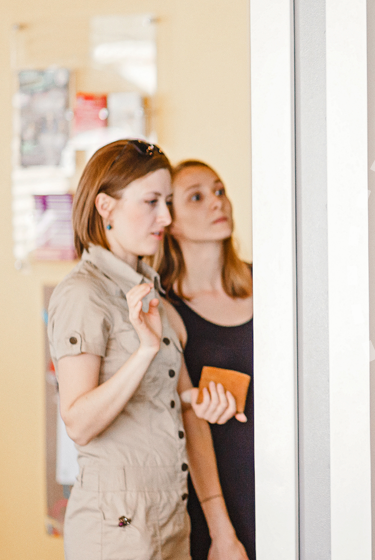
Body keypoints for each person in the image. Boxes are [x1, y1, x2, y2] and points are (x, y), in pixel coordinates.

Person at [48, 139, 246, 560]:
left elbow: (161, 401)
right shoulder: (83, 294)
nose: (166, 217)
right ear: (106, 207)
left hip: (170, 519)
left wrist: (198, 400)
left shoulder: (146, 288)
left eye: (168, 202)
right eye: (152, 202)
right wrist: (144, 351)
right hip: (118, 531)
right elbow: (79, 422)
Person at [156, 160, 256, 560]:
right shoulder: (167, 310)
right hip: (221, 495)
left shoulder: (272, 281)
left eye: (219, 191)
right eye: (196, 197)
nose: (217, 203)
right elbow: (189, 421)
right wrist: (222, 533)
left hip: (283, 473)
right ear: (171, 222)